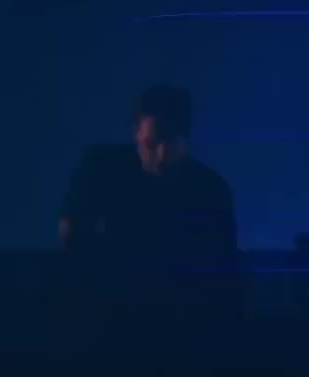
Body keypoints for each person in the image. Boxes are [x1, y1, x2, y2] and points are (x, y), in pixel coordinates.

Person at [58, 85, 238, 270]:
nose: (161, 155)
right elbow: (71, 237)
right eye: (150, 144)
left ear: (186, 140)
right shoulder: (99, 170)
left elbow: (222, 264)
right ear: (135, 132)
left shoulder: (211, 191)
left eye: (171, 143)